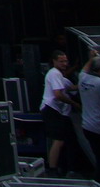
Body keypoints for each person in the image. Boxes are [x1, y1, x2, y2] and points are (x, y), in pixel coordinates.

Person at [41, 49, 80, 177]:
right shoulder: (54, 74)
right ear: (54, 61)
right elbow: (58, 94)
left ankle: (66, 167)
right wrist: (74, 104)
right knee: (58, 140)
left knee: (66, 139)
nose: (64, 63)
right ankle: (52, 168)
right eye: (61, 61)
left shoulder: (61, 77)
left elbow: (70, 87)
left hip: (59, 112)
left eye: (66, 61)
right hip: (51, 109)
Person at [79, 50, 100, 185]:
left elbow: (85, 68)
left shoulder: (83, 78)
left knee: (99, 157)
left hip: (87, 127)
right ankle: (98, 182)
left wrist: (91, 58)